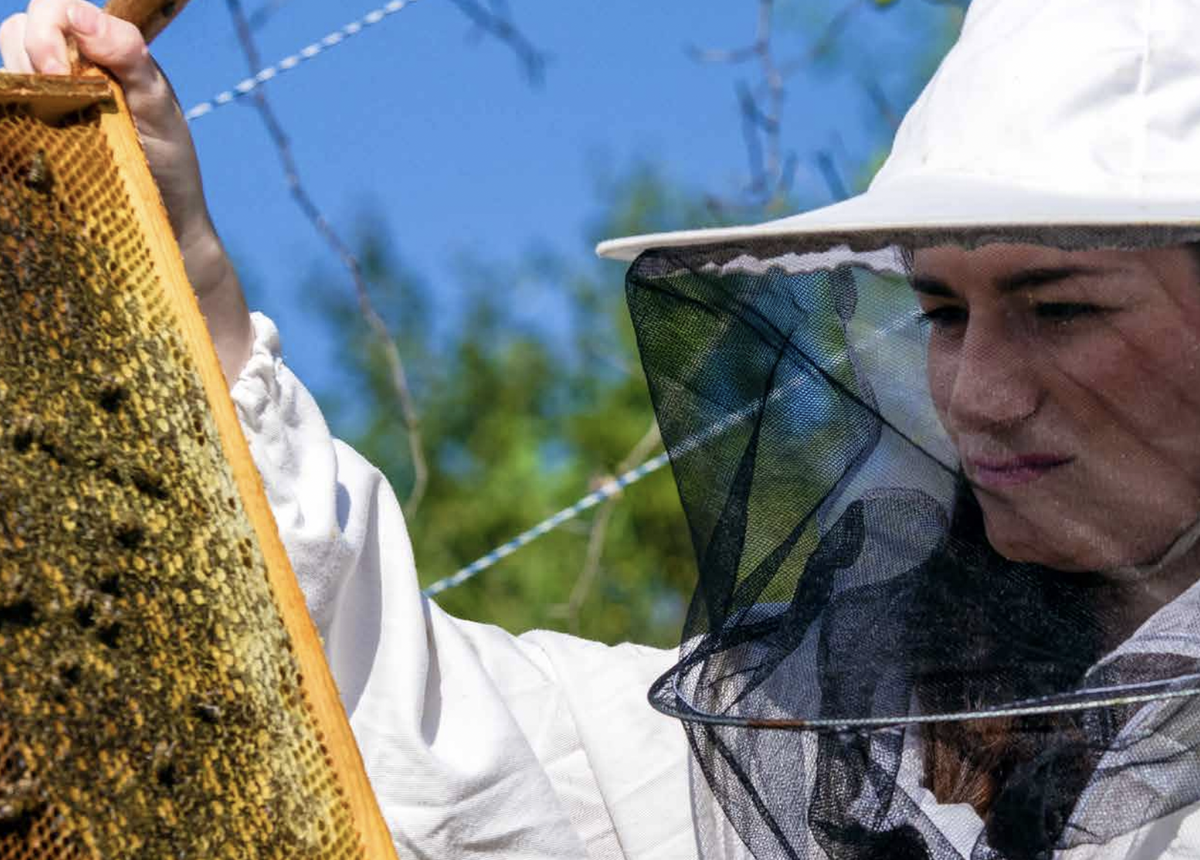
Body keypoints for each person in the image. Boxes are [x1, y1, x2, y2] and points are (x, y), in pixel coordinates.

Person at [7, 0, 1200, 858]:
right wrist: (184, 297)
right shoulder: (827, 713)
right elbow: (435, 740)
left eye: (1060, 307)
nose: (978, 391)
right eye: (942, 308)